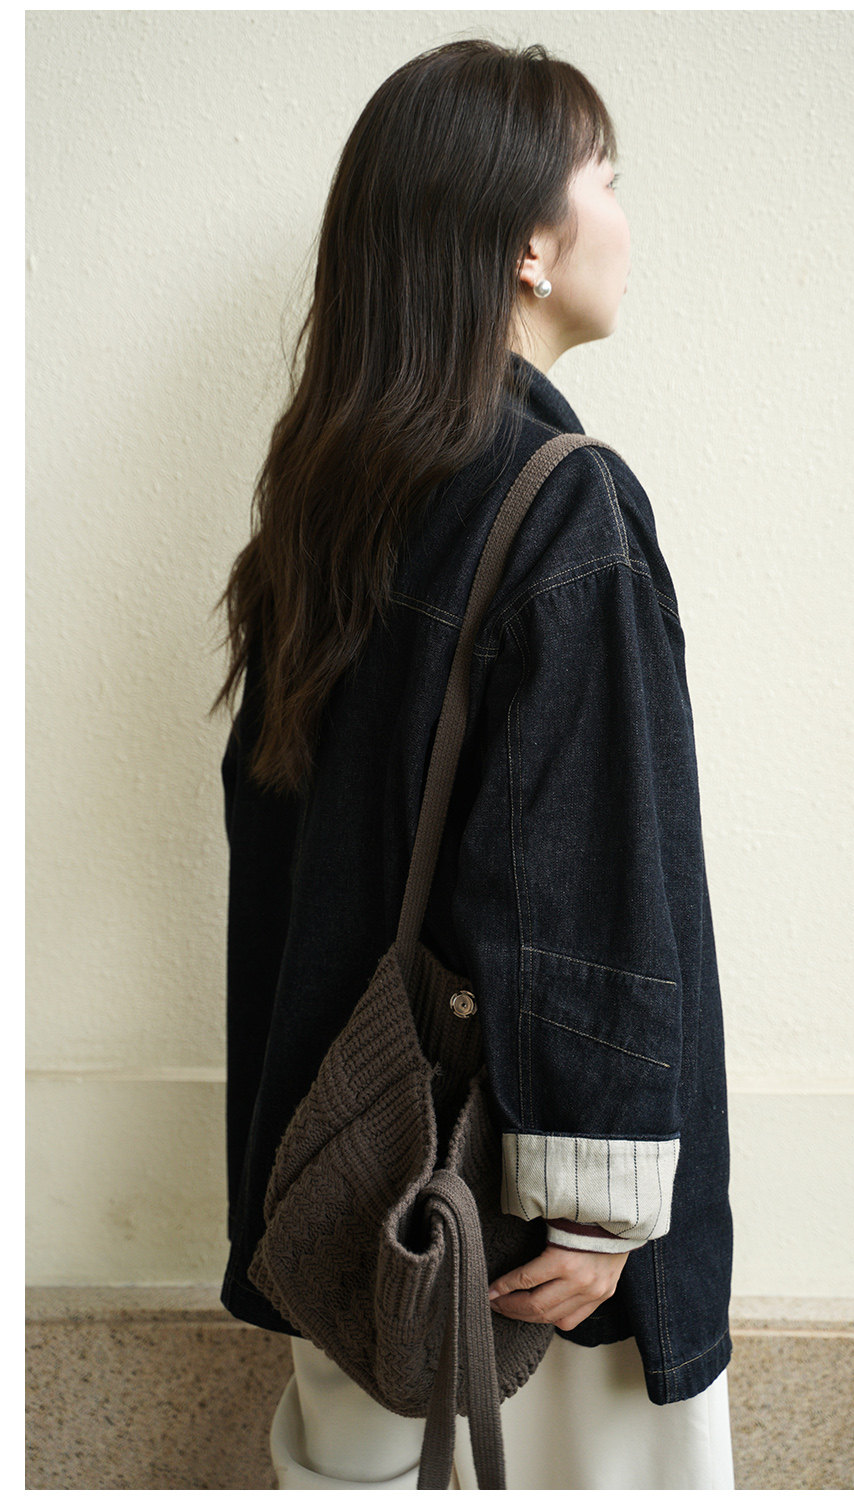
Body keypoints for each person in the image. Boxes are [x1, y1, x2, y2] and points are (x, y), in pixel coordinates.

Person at [213, 38, 735, 1490]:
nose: (625, 217)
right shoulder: (564, 506)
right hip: (521, 1256)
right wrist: (599, 1200)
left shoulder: (323, 509)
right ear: (526, 244)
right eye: (606, 178)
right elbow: (587, 866)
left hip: (352, 1205)